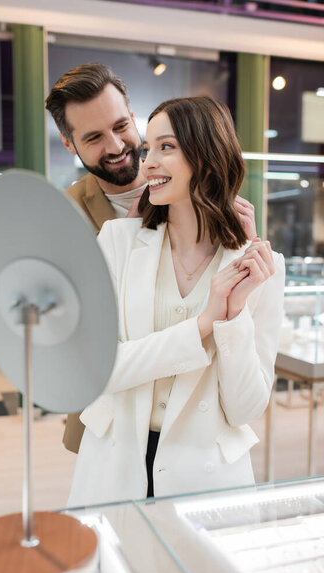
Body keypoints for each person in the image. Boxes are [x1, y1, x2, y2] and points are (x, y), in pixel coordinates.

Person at [68, 96, 284, 507]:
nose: (147, 162)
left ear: (206, 155)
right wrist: (202, 325)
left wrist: (233, 315)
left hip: (207, 481)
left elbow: (245, 410)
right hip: (114, 464)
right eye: (147, 148)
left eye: (165, 147)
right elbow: (95, 370)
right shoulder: (117, 242)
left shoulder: (261, 268)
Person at [46, 63, 257, 453]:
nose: (115, 146)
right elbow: (75, 348)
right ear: (67, 142)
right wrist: (127, 237)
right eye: (93, 137)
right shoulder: (63, 221)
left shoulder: (207, 199)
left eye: (122, 125)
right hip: (111, 422)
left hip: (196, 430)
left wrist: (237, 245)